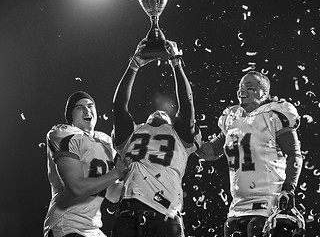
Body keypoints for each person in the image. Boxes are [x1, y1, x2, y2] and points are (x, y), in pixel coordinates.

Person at [196, 71, 305, 237]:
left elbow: (294, 155)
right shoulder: (232, 118)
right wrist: (191, 140)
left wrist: (288, 189)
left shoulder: (274, 114)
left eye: (249, 87)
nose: (242, 90)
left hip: (268, 200)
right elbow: (211, 152)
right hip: (237, 205)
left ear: (264, 92)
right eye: (240, 87)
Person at [111, 39, 201, 237]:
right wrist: (133, 66)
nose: (158, 112)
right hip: (128, 212)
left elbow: (186, 104)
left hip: (165, 214)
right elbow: (119, 106)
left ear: (173, 122)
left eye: (165, 114)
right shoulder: (132, 133)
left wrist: (176, 63)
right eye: (153, 113)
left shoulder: (180, 136)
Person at [44, 91, 130, 237]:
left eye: (90, 106)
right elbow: (76, 188)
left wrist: (135, 171)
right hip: (67, 224)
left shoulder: (105, 141)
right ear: (70, 114)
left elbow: (113, 194)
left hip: (92, 228)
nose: (87, 110)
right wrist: (116, 172)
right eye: (79, 107)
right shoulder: (63, 134)